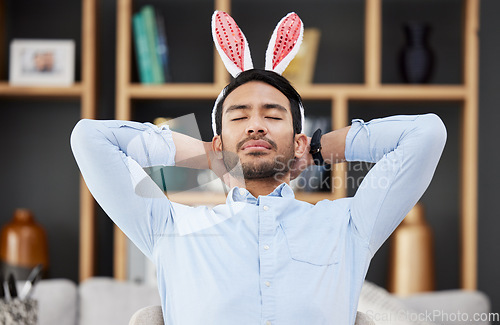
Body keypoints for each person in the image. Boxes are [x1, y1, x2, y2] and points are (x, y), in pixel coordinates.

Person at [70, 12, 447, 325]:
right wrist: (208, 154)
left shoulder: (347, 226)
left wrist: (317, 148)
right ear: (219, 142)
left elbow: (426, 133)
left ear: (296, 140)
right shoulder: (173, 227)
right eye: (239, 116)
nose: (256, 125)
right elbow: (90, 139)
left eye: (272, 114)